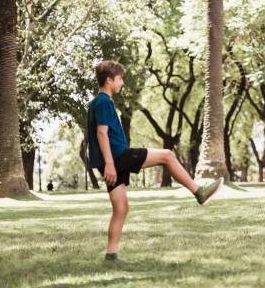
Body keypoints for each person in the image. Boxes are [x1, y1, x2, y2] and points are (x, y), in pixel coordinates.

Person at [87, 60, 223, 263]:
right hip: (117, 157)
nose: (122, 83)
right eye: (120, 79)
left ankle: (111, 256)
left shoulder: (96, 103)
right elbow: (101, 133)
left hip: (112, 159)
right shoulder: (103, 102)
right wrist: (109, 164)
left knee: (121, 208)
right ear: (109, 80)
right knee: (167, 155)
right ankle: (199, 192)